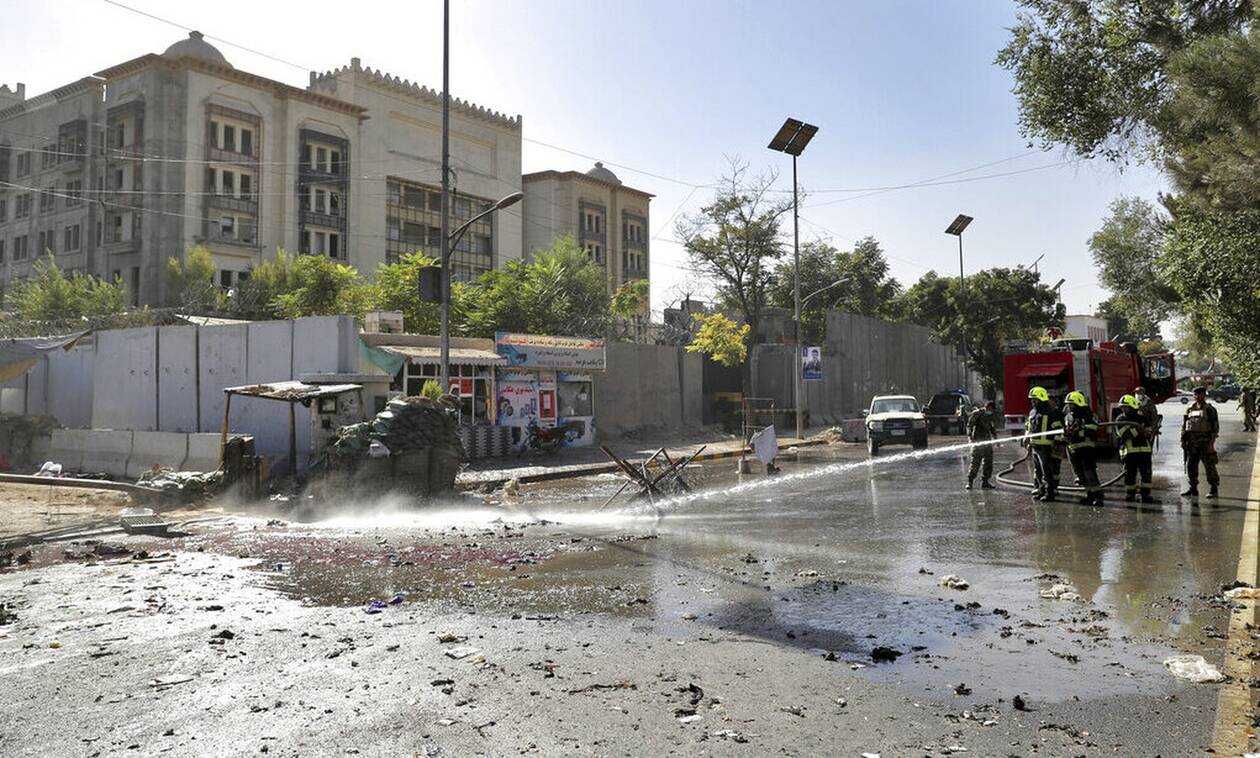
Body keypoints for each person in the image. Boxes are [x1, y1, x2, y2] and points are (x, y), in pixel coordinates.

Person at [1062, 390, 1104, 506]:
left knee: (1089, 473)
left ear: (1078, 403)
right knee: (1080, 474)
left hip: (1086, 448)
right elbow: (1066, 430)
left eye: (1071, 404)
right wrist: (1066, 433)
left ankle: (1098, 496)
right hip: (1073, 449)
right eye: (1068, 404)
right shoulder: (1068, 416)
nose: (1069, 406)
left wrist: (1080, 430)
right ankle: (1089, 495)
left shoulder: (1088, 414)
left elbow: (1094, 428)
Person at [1115, 394, 1155, 503]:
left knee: (1146, 474)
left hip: (1144, 452)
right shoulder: (1120, 419)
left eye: (1126, 407)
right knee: (1130, 475)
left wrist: (1144, 431)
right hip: (1129, 453)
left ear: (1132, 406)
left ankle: (1145, 495)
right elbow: (1124, 435)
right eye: (1122, 407)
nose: (1123, 409)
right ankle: (1130, 494)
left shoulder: (1142, 418)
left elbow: (1149, 432)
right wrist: (1138, 430)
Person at [1181, 386, 1220, 498]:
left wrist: (1211, 443)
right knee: (1191, 467)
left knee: (1209, 467)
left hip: (1205, 443)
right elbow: (1184, 426)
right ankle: (1193, 489)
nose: (1197, 396)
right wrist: (1183, 440)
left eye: (1200, 394)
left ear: (1204, 395)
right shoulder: (1190, 409)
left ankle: (1213, 489)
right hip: (1192, 444)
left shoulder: (1209, 409)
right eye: (1195, 394)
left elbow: (1215, 428)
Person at [1025, 386, 1063, 502]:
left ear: (1041, 398)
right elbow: (1029, 427)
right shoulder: (1033, 412)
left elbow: (1058, 429)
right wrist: (1027, 437)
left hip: (1046, 447)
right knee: (1038, 471)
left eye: (1035, 399)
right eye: (1032, 399)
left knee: (1047, 471)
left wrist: (1056, 443)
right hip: (1035, 447)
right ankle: (1041, 490)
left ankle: (1049, 493)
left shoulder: (1051, 412)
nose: (1033, 401)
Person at [965, 400, 1000, 490]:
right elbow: (969, 426)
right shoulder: (977, 414)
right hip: (978, 442)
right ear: (988, 407)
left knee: (988, 463)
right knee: (975, 463)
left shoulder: (990, 416)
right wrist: (970, 438)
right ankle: (970, 482)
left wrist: (996, 440)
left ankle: (985, 482)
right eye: (991, 409)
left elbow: (992, 428)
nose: (991, 411)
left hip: (987, 442)